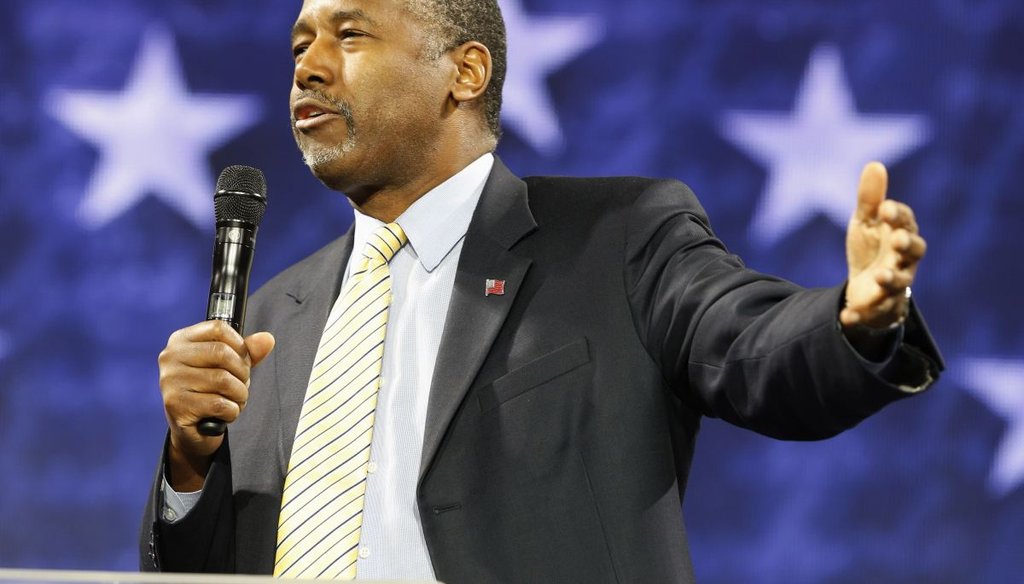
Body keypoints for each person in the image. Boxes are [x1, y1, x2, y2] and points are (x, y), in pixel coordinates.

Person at [140, 0, 943, 581]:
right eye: (300, 44)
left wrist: (853, 319)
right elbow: (208, 568)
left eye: (350, 34)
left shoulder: (619, 236)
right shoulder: (274, 313)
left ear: (465, 70)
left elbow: (748, 346)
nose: (308, 67)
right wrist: (187, 460)